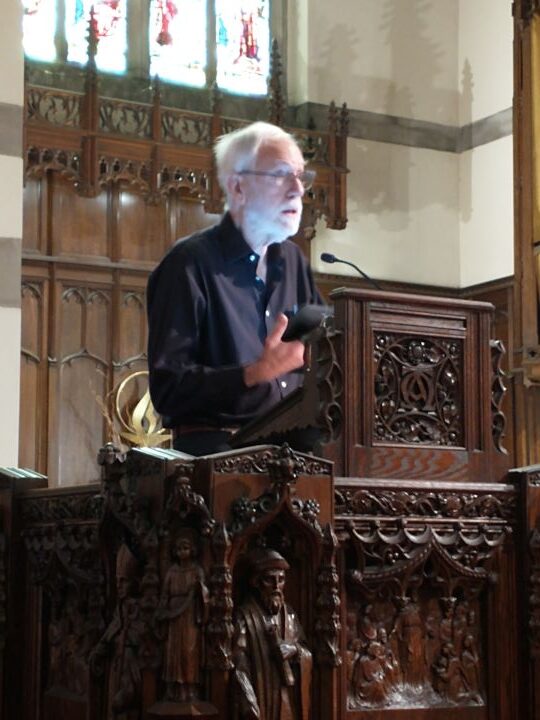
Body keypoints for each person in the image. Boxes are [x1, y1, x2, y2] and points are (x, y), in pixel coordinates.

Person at [147, 121, 321, 456]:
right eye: (282, 174)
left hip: (295, 451)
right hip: (217, 454)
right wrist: (253, 374)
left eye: (302, 176)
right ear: (238, 187)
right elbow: (168, 389)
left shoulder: (292, 261)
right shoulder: (189, 264)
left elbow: (322, 348)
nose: (298, 189)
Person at [232, 549, 312, 720]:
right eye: (270, 580)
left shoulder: (289, 615)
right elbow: (239, 662)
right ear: (256, 582)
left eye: (281, 580)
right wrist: (249, 701)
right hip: (263, 694)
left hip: (287, 698)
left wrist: (295, 650)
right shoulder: (246, 617)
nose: (276, 586)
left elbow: (307, 652)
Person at [157, 529, 208, 702]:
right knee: (173, 653)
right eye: (179, 549)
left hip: (190, 616)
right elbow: (164, 595)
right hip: (174, 617)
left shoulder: (197, 570)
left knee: (189, 652)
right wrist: (162, 612)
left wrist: (200, 590)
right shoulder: (171, 572)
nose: (182, 552)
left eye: (185, 548)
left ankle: (190, 688)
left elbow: (205, 595)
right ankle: (173, 688)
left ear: (192, 550)